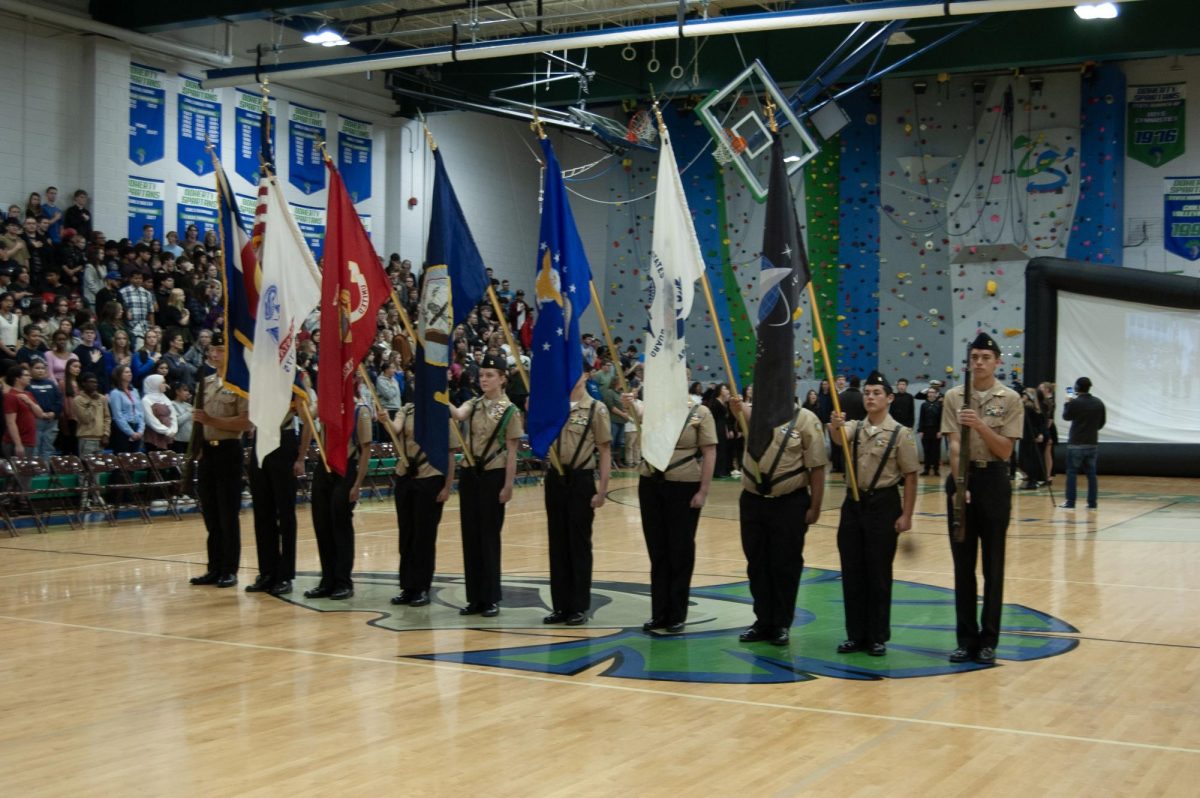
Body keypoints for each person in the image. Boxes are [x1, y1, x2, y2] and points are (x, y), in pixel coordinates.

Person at [940, 333, 1022, 665]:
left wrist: (980, 426)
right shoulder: (954, 396)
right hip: (964, 480)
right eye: (974, 357)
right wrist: (962, 482)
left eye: (986, 357)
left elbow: (1004, 450)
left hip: (994, 482)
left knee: (993, 566)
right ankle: (965, 639)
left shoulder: (1011, 399)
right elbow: (954, 443)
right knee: (962, 567)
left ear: (997, 362)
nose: (979, 362)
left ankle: (989, 640)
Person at [828, 371, 919, 656]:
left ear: (889, 398)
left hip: (883, 503)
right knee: (852, 572)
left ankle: (877, 635)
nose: (870, 397)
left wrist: (907, 515)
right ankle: (856, 635)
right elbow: (839, 438)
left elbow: (911, 476)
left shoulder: (900, 434)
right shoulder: (855, 427)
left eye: (877, 393)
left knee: (878, 574)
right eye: (867, 393)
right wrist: (834, 425)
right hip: (854, 504)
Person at [731, 386, 826, 647]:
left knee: (785, 565)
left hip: (789, 504)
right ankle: (762, 621)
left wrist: (815, 507)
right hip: (753, 502)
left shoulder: (806, 420)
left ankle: (781, 623)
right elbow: (738, 412)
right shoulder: (756, 415)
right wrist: (735, 404)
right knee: (757, 564)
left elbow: (817, 467)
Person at [626, 386, 716, 634]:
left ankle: (676, 613)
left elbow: (709, 452)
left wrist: (703, 491)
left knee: (680, 550)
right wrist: (630, 402)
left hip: (684, 484)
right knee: (657, 550)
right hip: (651, 483)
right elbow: (638, 411)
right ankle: (659, 612)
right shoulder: (655, 409)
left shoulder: (700, 412)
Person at [449, 353, 523, 617]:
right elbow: (458, 414)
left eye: (490, 375)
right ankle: (475, 598)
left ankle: (490, 597)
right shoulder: (474, 404)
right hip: (471, 474)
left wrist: (508, 485)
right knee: (471, 536)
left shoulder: (510, 410)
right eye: (481, 375)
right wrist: (440, 396)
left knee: (489, 538)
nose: (484, 379)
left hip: (494, 475)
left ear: (502, 379)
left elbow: (512, 451)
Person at [542, 363, 612, 626]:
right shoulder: (553, 406)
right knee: (557, 543)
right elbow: (537, 438)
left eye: (576, 371)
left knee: (579, 545)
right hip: (555, 478)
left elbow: (605, 450)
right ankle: (560, 605)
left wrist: (602, 489)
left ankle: (579, 606)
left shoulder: (596, 408)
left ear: (585, 375)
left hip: (581, 480)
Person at [382, 391, 457, 608]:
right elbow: (396, 429)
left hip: (431, 477)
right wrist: (385, 419)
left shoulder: (441, 412)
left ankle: (422, 587)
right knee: (406, 534)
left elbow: (451, 452)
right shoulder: (408, 409)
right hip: (406, 476)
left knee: (424, 537)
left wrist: (447, 485)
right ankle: (407, 586)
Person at [189, 335, 252, 589]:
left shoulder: (239, 384)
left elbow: (245, 423)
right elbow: (196, 419)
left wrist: (211, 422)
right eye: (212, 350)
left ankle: (229, 569)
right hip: (207, 452)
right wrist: (196, 448)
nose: (214, 355)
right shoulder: (205, 384)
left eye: (220, 350)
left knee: (227, 513)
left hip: (228, 451)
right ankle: (213, 567)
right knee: (211, 514)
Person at [305, 376, 373, 601]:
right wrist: (303, 388)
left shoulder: (360, 410)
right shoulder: (327, 405)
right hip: (324, 467)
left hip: (346, 468)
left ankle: (343, 581)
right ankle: (327, 579)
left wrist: (357, 483)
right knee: (322, 524)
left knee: (340, 524)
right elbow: (306, 414)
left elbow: (365, 449)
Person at [246, 396, 312, 597]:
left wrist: (301, 457)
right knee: (262, 513)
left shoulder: (291, 376)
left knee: (285, 514)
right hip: (261, 441)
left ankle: (285, 574)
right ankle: (267, 572)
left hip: (284, 440)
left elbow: (307, 421)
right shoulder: (259, 376)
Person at [1060, 377, 1106, 510]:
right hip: (1092, 443)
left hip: (1076, 443)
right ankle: (1092, 503)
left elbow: (1066, 416)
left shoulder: (1075, 402)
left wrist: (1068, 402)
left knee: (1072, 473)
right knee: (1091, 474)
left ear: (1076, 387)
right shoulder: (1098, 403)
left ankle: (1070, 502)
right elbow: (1101, 423)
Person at [3, 364, 45, 457]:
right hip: (16, 442)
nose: (30, 377)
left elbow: (40, 414)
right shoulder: (10, 396)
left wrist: (30, 402)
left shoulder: (28, 394)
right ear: (17, 378)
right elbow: (11, 423)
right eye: (26, 375)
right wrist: (18, 444)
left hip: (29, 440)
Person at [27, 359, 62, 459]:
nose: (40, 371)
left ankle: (45, 472)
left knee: (48, 449)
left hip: (51, 421)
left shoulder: (51, 384)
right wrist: (40, 413)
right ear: (30, 370)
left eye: (42, 368)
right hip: (35, 421)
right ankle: (36, 472)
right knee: (35, 448)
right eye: (37, 368)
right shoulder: (28, 385)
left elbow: (59, 400)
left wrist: (54, 412)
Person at [107, 365, 144, 453]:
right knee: (123, 458)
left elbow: (140, 412)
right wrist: (131, 433)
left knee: (135, 458)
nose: (130, 374)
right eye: (126, 372)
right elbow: (118, 416)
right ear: (119, 375)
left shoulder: (134, 391)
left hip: (137, 426)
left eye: (130, 372)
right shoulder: (115, 393)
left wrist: (140, 430)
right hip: (123, 430)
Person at [1017, 387, 1047, 490]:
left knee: (1027, 460)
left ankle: (1032, 481)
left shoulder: (1028, 408)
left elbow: (1031, 424)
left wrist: (1036, 434)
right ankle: (1031, 479)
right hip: (1031, 436)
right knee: (1030, 459)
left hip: (1029, 437)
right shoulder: (1035, 408)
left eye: (1024, 395)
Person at [74, 372, 110, 456]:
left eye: (96, 382)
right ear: (83, 383)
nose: (94, 384)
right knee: (87, 466)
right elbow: (85, 419)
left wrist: (106, 434)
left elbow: (107, 418)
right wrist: (92, 401)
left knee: (99, 466)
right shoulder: (78, 400)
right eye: (91, 382)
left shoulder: (102, 398)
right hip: (86, 439)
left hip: (100, 439)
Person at [140, 374, 177, 451]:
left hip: (168, 436)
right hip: (154, 437)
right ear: (155, 384)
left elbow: (173, 415)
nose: (165, 385)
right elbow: (150, 419)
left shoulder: (164, 397)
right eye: (163, 383)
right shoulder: (146, 400)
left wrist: (173, 429)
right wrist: (166, 431)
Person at [918, 387, 943, 476]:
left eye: (933, 392)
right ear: (927, 394)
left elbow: (941, 419)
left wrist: (940, 431)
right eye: (929, 392)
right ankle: (926, 469)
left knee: (935, 451)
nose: (931, 394)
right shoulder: (924, 405)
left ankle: (936, 469)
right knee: (926, 450)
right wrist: (920, 430)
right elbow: (921, 418)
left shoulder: (939, 405)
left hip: (936, 430)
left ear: (936, 394)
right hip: (926, 430)